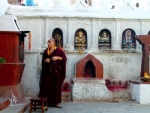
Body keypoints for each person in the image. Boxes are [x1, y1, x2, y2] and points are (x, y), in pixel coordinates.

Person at [39, 38, 67, 108]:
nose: (48, 44)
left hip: (56, 73)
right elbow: (43, 61)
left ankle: (56, 103)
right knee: (45, 87)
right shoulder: (46, 51)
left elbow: (64, 58)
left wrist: (57, 57)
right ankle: (45, 102)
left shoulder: (58, 51)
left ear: (54, 43)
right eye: (47, 42)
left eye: (49, 42)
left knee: (56, 88)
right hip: (47, 73)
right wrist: (46, 61)